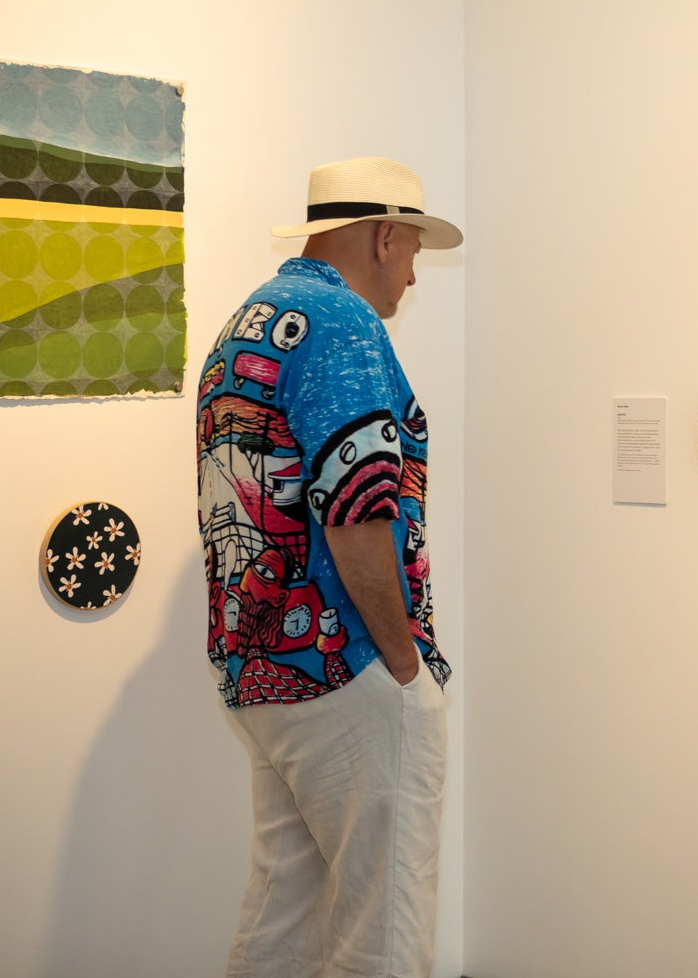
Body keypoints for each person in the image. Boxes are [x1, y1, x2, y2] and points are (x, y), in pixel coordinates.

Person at [196, 156, 462, 977]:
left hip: (261, 674)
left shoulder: (250, 319)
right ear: (384, 237)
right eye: (414, 249)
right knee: (383, 932)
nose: (414, 274)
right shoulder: (343, 325)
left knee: (284, 917)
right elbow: (358, 510)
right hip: (344, 672)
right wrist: (404, 663)